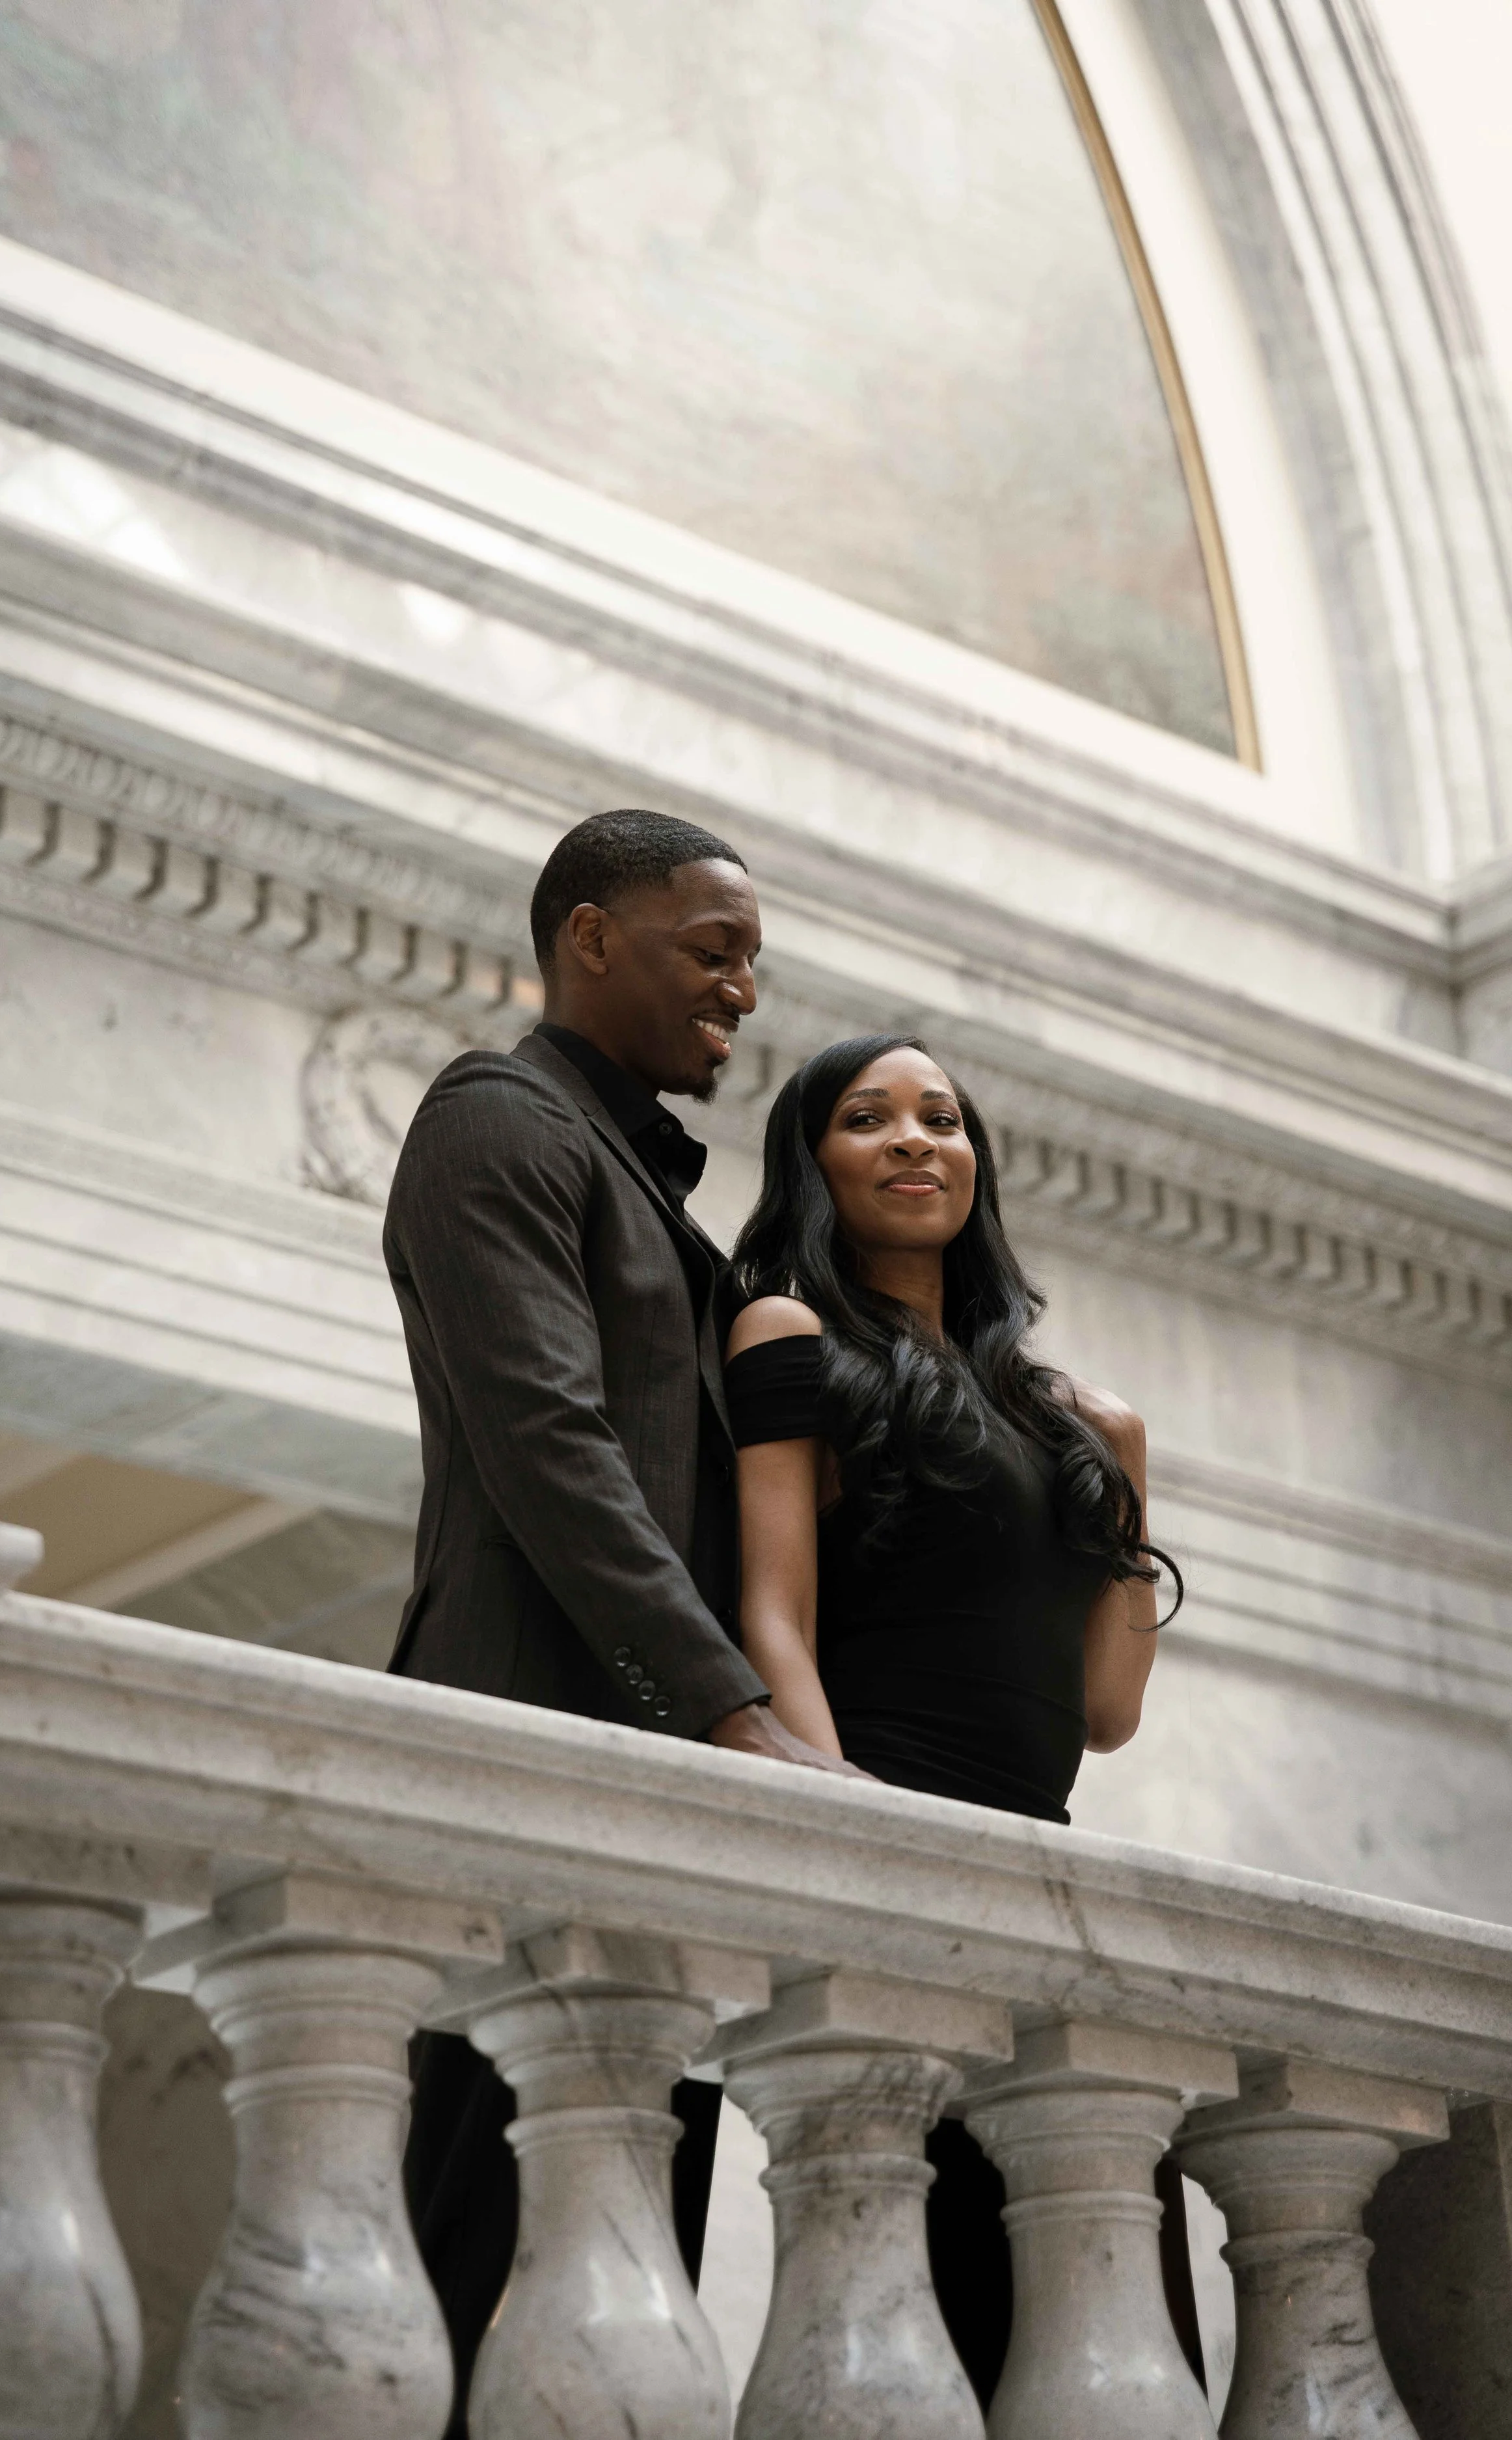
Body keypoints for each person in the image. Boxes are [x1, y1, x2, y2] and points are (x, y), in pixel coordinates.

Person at [383, 809, 859, 2437]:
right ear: (588, 935)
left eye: (754, 963)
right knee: (483, 2278)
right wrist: (736, 1719)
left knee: (624, 2289)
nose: (740, 991)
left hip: (648, 1800)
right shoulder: (494, 1124)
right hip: (538, 1756)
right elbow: (549, 1449)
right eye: (708, 948)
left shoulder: (654, 1191)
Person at [723, 1032, 1194, 2406]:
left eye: (940, 1117)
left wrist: (1119, 1480)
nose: (912, 1139)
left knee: (1099, 2305)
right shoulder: (788, 1336)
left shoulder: (1073, 1421)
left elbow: (1104, 1714)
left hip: (1044, 1876)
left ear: (975, 1165)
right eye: (866, 1119)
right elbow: (771, 1617)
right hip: (890, 1838)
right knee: (920, 2298)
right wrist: (851, 1832)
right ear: (814, 1167)